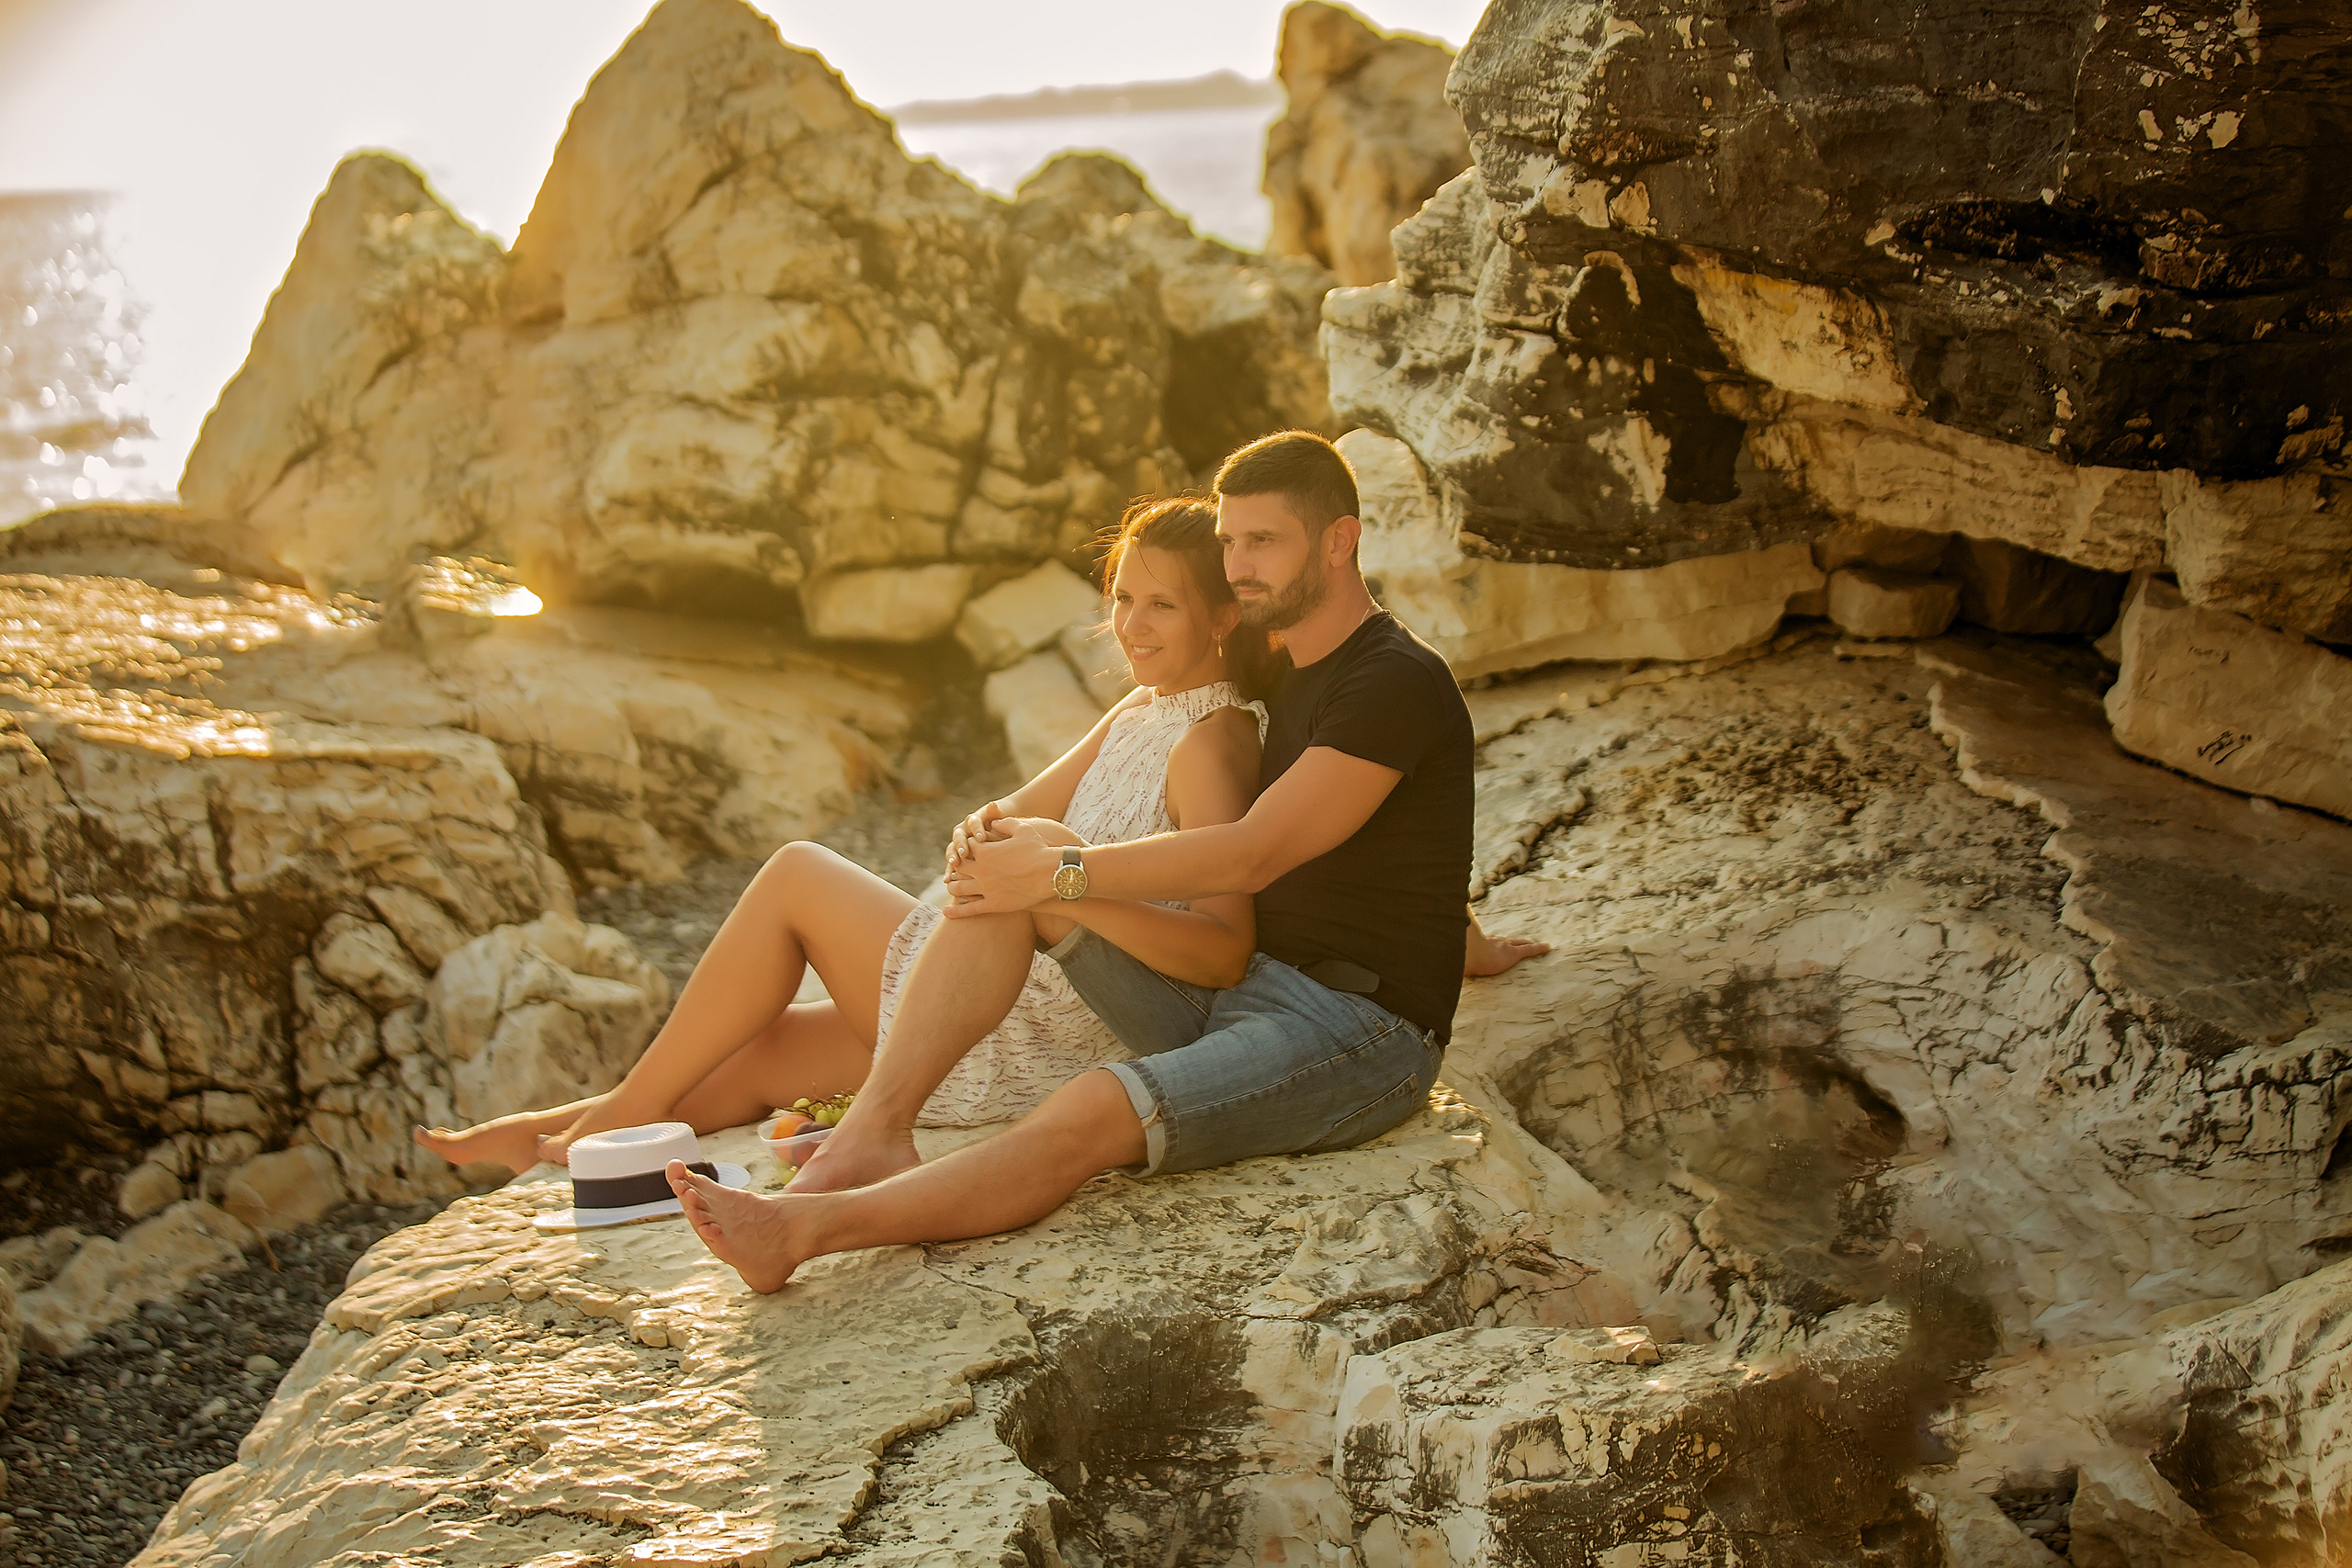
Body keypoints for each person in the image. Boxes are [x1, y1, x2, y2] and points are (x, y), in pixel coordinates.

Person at [667, 429, 1546, 1292]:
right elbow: (1404, 837)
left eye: (1263, 541)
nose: (1239, 564)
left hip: (1354, 1032)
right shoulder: (1291, 668)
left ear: (1340, 540)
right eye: (1231, 540)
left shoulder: (1391, 678)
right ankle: (878, 1125)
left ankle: (802, 1233)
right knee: (1028, 852)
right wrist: (1468, 940)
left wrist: (1067, 877)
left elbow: (1254, 851)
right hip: (1239, 992)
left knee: (1091, 1098)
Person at [412, 497, 1274, 1174]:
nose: (1133, 623)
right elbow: (1010, 807)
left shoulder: (1214, 743)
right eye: (1124, 596)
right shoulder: (1142, 709)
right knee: (764, 1052)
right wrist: (980, 836)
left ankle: (620, 1111)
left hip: (1039, 1026)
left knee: (797, 874)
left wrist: (1052, 880)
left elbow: (1222, 951)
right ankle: (571, 1129)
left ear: (1224, 616)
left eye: (1162, 603)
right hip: (991, 980)